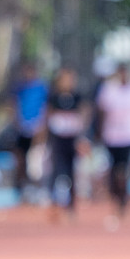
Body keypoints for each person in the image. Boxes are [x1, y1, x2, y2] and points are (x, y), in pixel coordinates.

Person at [96, 62, 130, 226]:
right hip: (112, 135)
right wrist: (99, 132)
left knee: (124, 168)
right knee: (114, 169)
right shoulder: (108, 89)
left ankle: (123, 197)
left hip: (129, 136)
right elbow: (102, 112)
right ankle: (116, 195)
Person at [44, 66, 87, 220]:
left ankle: (71, 206)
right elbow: (47, 116)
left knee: (71, 173)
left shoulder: (77, 97)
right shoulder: (54, 97)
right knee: (56, 172)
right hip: (57, 140)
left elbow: (82, 116)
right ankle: (54, 204)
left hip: (72, 140)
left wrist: (82, 139)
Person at [10, 60, 47, 198]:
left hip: (37, 129)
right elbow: (14, 105)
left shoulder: (42, 88)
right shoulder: (19, 88)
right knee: (20, 159)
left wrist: (42, 127)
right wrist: (16, 121)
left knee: (36, 162)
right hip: (22, 129)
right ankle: (22, 187)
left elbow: (45, 108)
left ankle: (37, 189)